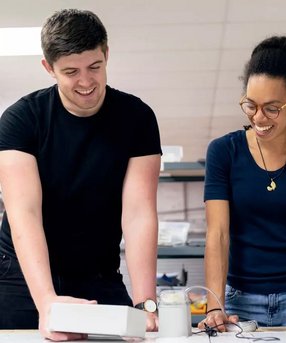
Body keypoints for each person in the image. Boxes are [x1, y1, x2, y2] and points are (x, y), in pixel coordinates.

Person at [0, 9, 161, 341]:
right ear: (49, 68)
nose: (86, 82)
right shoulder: (21, 120)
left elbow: (138, 214)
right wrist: (46, 302)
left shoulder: (137, 119)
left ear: (106, 54)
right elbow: (23, 214)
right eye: (71, 71)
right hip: (21, 277)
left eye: (95, 67)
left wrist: (146, 303)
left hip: (97, 273)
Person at [199, 36, 286, 330]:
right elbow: (218, 234)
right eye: (251, 105)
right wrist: (216, 306)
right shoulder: (223, 152)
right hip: (239, 301)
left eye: (272, 108)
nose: (258, 117)